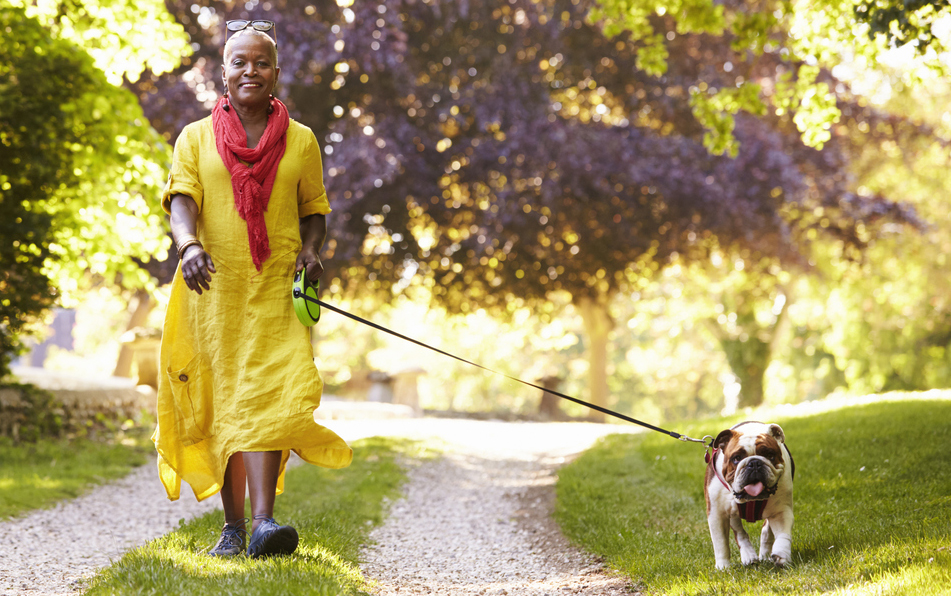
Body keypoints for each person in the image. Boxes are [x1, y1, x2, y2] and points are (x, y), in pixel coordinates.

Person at [154, 21, 352, 559]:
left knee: (270, 394)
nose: (250, 71)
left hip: (275, 288)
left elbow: (315, 211)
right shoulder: (195, 137)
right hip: (212, 287)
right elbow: (181, 203)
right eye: (239, 62)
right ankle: (234, 527)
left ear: (275, 74)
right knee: (224, 403)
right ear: (224, 73)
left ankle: (264, 524)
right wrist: (188, 247)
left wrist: (311, 251)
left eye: (260, 63)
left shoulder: (302, 140)